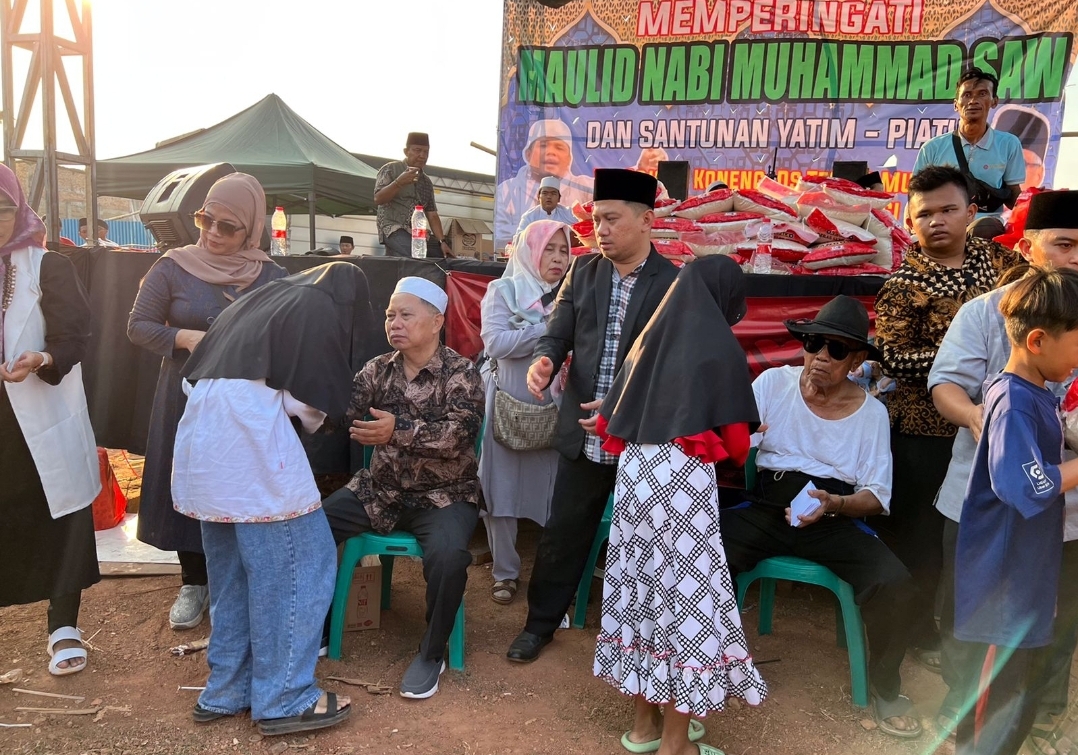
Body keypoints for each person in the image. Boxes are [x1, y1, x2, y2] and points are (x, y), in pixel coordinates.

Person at [171, 262, 373, 735]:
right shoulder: (316, 307)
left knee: (233, 574)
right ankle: (285, 697)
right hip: (250, 450)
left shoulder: (258, 302)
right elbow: (309, 402)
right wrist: (339, 421)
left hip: (203, 448)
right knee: (302, 563)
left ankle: (227, 689)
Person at [720, 296, 922, 739]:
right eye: (814, 343)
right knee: (701, 556)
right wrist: (741, 440)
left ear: (855, 360)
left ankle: (886, 685)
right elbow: (733, 439)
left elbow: (876, 495)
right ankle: (709, 668)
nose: (819, 357)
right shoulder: (774, 383)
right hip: (769, 505)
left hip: (834, 514)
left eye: (834, 349)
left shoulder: (872, 414)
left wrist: (833, 503)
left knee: (896, 585)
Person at [594, 255, 767, 755]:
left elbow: (616, 419)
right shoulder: (719, 350)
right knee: (687, 603)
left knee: (643, 590)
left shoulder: (647, 342)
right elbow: (734, 449)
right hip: (683, 485)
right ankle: (676, 745)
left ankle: (644, 729)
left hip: (635, 478)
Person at [505, 168, 679, 663]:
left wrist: (625, 399)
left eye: (611, 219)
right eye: (596, 219)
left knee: (643, 543)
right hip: (583, 436)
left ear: (646, 221)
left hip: (640, 439)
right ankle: (540, 625)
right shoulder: (583, 272)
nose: (599, 229)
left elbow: (674, 365)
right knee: (563, 533)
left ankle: (643, 641)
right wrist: (544, 360)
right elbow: (557, 334)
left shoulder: (673, 282)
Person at [929, 190, 1078, 752]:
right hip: (996, 518)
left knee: (1047, 629)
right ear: (1028, 246)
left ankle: (1024, 720)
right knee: (986, 642)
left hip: (1050, 529)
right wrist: (985, 422)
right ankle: (974, 727)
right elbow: (945, 386)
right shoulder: (987, 319)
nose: (1076, 258)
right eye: (1064, 245)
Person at [873, 165, 1019, 676]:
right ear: (911, 223)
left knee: (977, 534)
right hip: (924, 430)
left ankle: (970, 633)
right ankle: (920, 632)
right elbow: (891, 354)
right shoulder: (903, 283)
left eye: (947, 210)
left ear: (971, 212)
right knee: (923, 537)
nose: (936, 222)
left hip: (999, 429)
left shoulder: (1003, 264)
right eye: (923, 215)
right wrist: (959, 364)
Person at [128, 173, 287, 631]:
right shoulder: (173, 266)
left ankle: (231, 583)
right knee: (189, 484)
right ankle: (193, 581)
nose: (213, 233)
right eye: (205, 219)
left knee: (237, 486)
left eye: (228, 226)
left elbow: (290, 334)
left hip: (245, 406)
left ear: (251, 229)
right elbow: (138, 326)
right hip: (185, 400)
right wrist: (185, 337)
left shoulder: (271, 277)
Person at [322, 276, 483, 700]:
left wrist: (399, 430)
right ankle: (317, 625)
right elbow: (344, 414)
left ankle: (433, 651)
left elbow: (459, 436)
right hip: (381, 490)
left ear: (436, 322)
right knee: (310, 529)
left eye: (406, 314)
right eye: (391, 315)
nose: (395, 322)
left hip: (445, 496)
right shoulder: (376, 369)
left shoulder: (462, 372)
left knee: (449, 557)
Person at [0, 163, 101, 676]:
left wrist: (40, 359)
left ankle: (64, 624)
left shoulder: (47, 266)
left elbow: (74, 337)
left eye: (2, 209)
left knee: (57, 513)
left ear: (18, 211)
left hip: (38, 407)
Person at [478, 220, 570, 605]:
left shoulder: (573, 293)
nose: (558, 258)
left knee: (552, 492)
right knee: (500, 491)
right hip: (506, 406)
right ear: (530, 251)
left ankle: (548, 578)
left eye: (564, 251)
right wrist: (548, 329)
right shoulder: (503, 290)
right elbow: (496, 343)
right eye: (549, 249)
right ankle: (505, 572)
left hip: (554, 407)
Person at [913, 68, 1024, 238]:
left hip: (987, 227)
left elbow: (1013, 194)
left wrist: (1032, 205)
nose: (973, 101)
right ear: (956, 104)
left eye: (982, 94)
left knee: (984, 228)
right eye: (967, 95)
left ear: (994, 101)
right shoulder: (932, 148)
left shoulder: (1009, 144)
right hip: (942, 224)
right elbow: (915, 194)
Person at [494, 119, 594, 248]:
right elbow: (509, 238)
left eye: (559, 147)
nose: (550, 152)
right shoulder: (508, 191)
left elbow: (588, 225)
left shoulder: (584, 188)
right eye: (543, 145)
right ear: (528, 154)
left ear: (569, 158)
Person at [374, 132, 453, 259]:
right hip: (392, 228)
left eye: (426, 152)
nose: (422, 156)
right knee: (417, 254)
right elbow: (378, 198)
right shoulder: (391, 169)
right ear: (406, 151)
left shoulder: (426, 182)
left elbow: (432, 215)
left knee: (441, 255)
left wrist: (442, 241)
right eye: (417, 150)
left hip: (418, 234)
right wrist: (399, 182)